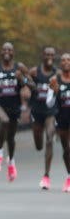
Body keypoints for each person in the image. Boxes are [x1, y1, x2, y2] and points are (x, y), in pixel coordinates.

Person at [0, 42, 34, 181]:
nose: (7, 52)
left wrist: (22, 79)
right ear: (1, 52)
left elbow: (33, 85)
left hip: (14, 106)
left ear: (13, 53)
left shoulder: (19, 67)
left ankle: (11, 162)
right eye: (4, 50)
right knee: (4, 121)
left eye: (10, 50)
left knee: (11, 138)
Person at [29, 47, 58, 190]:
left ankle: (46, 176)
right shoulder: (35, 72)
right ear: (43, 56)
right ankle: (40, 143)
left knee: (49, 139)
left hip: (51, 112)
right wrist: (29, 86)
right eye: (47, 54)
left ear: (54, 56)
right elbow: (26, 84)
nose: (49, 57)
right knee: (39, 145)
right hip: (36, 111)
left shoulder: (57, 74)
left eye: (52, 54)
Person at [48, 53, 70, 192]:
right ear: (60, 64)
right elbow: (49, 103)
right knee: (66, 150)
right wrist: (54, 92)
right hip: (62, 118)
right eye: (63, 60)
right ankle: (69, 176)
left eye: (68, 60)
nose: (66, 62)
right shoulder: (54, 80)